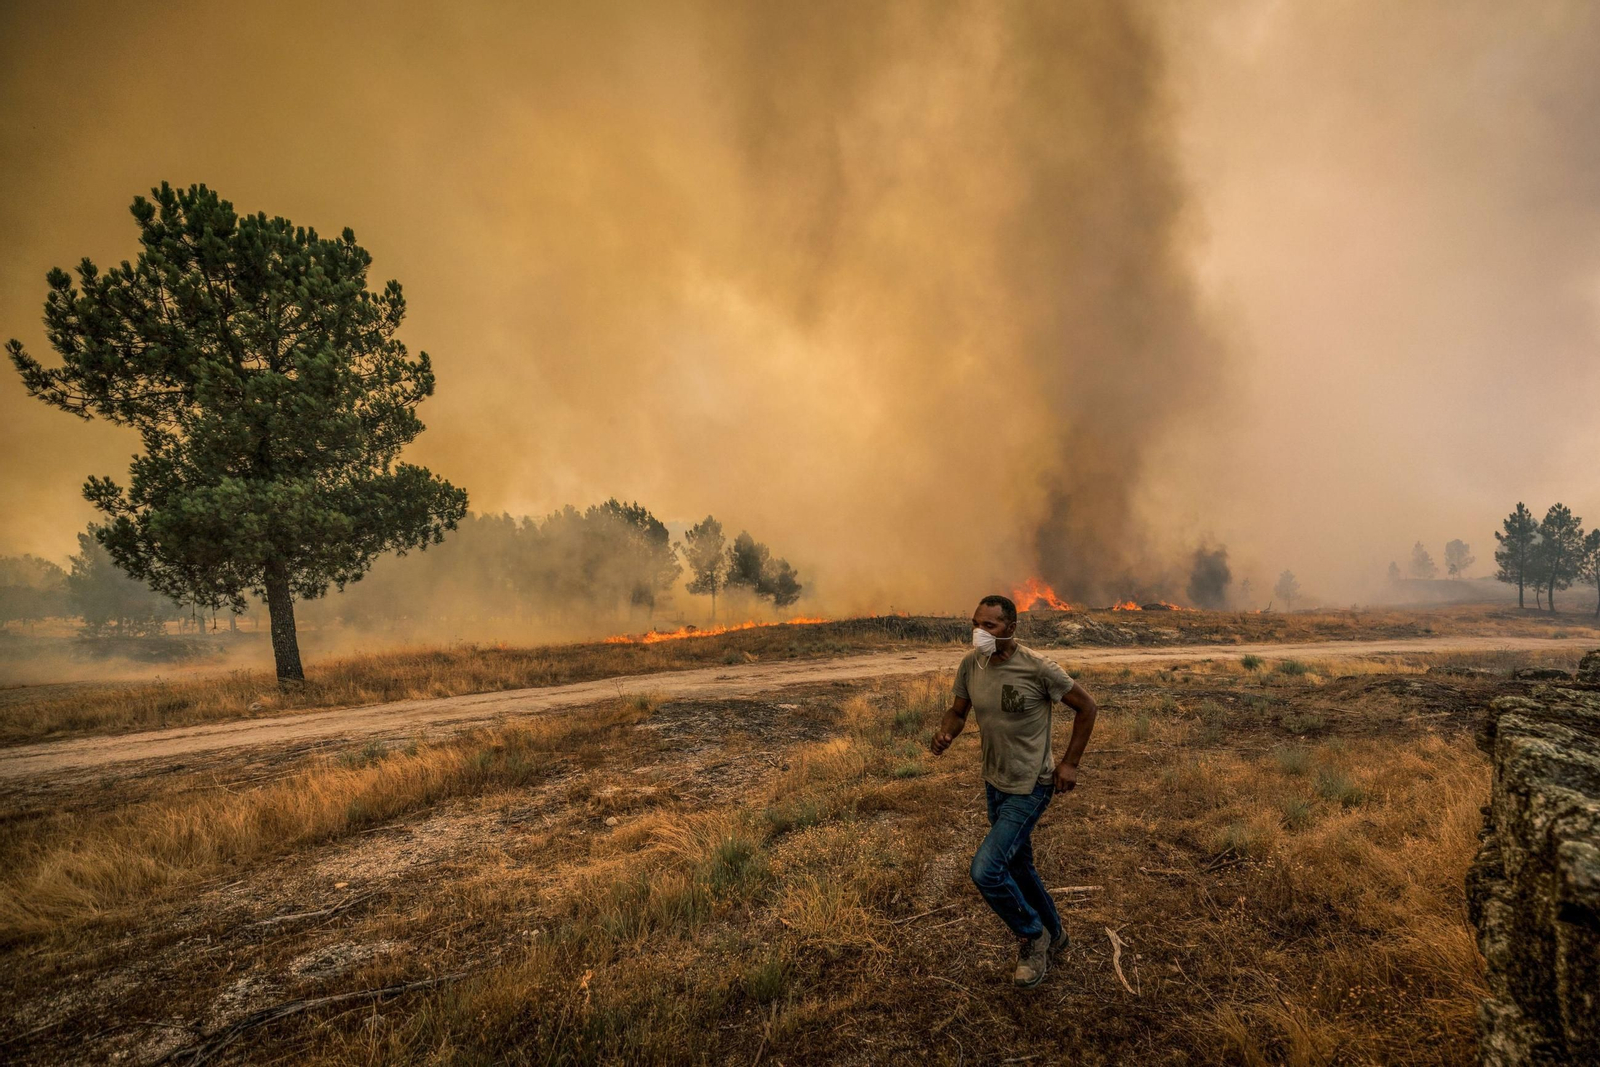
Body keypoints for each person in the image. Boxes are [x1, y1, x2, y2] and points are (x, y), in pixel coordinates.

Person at [930, 593, 1098, 988]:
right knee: (1019, 867)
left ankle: (1031, 936)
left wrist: (1070, 763)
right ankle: (1056, 935)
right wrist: (946, 733)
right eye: (976, 623)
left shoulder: (1038, 668)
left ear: (1012, 628)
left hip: (1030, 786)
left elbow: (1087, 707)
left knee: (987, 870)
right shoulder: (971, 665)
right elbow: (958, 711)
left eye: (989, 625)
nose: (979, 632)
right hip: (995, 783)